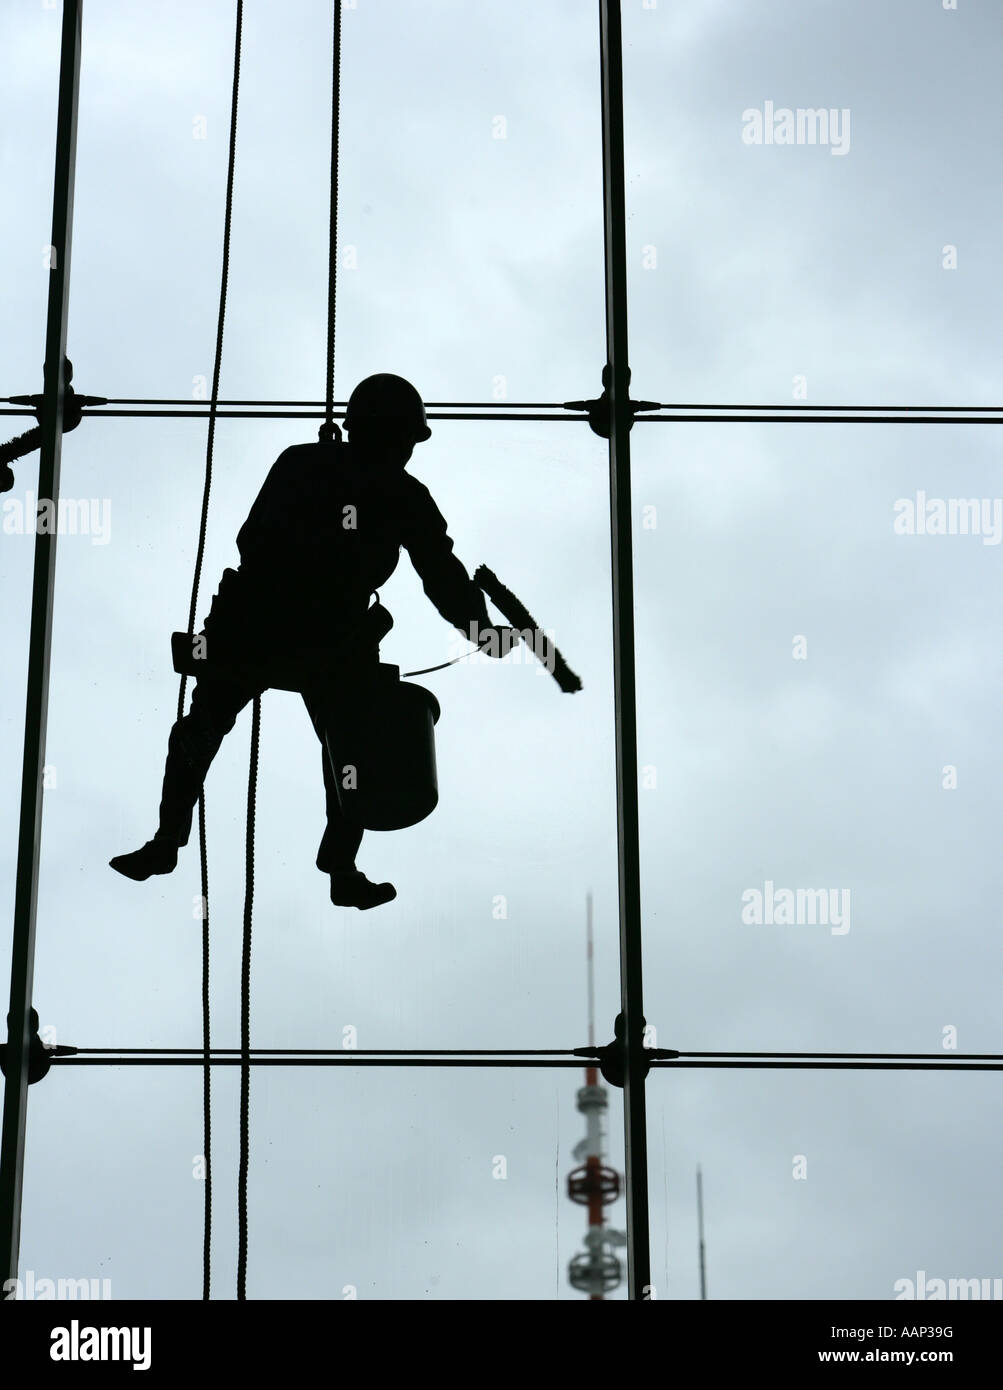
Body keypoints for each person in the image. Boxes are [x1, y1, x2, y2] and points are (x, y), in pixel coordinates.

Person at [109, 374, 513, 910]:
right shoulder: (359, 481)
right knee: (240, 733)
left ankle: (328, 867)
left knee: (333, 742)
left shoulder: (339, 474)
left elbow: (439, 569)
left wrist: (474, 622)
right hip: (290, 624)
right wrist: (475, 625)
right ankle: (176, 843)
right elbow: (262, 539)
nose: (407, 452)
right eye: (403, 440)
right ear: (382, 433)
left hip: (283, 626)